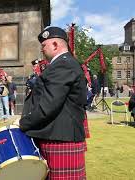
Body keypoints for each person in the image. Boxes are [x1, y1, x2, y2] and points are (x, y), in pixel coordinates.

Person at [19, 26, 87, 179]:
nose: (42, 50)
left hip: (59, 139)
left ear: (55, 45)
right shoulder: (63, 64)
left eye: (44, 45)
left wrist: (22, 123)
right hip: (56, 136)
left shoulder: (63, 64)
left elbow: (48, 106)